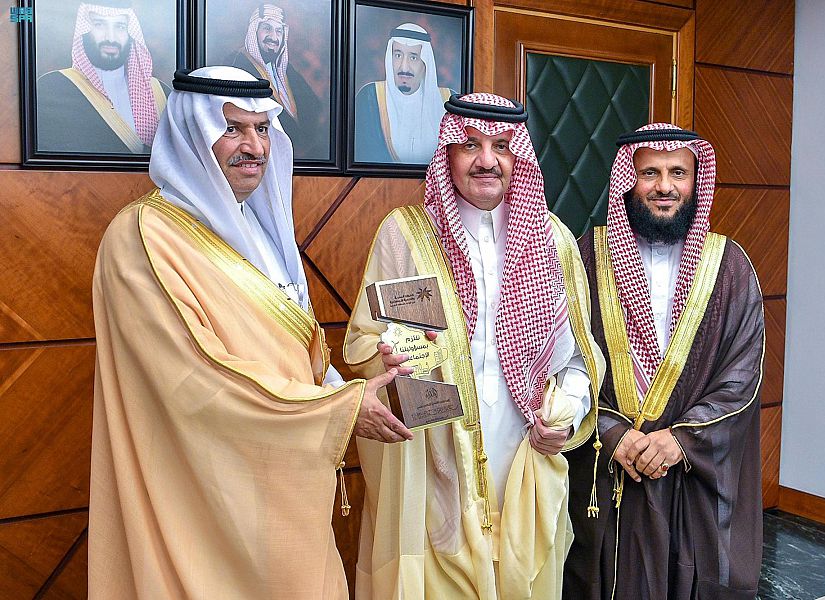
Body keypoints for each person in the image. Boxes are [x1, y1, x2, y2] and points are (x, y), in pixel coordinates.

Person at [89, 66, 412, 599]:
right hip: (202, 487)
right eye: (233, 129)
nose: (255, 147)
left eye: (262, 129)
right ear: (193, 135)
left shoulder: (258, 226)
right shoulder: (143, 235)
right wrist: (336, 410)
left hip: (283, 474)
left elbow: (296, 347)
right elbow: (191, 377)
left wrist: (346, 391)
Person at [344, 92, 605, 599]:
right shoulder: (405, 235)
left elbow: (578, 358)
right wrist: (385, 358)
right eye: (470, 145)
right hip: (433, 469)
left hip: (524, 466)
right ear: (448, 154)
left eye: (501, 146)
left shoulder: (553, 240)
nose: (487, 160)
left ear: (518, 155)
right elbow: (360, 345)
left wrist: (568, 415)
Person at [562, 123, 765, 599]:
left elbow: (742, 375)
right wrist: (612, 432)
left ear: (696, 180)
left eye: (678, 172)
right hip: (612, 466)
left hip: (690, 475)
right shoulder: (587, 257)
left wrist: (680, 440)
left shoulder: (729, 266)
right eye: (650, 172)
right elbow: (560, 356)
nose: (664, 186)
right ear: (627, 180)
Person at [37, 1, 168, 154]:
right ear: (84, 30)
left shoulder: (161, 94)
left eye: (120, 27)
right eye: (99, 25)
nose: (111, 38)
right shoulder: (52, 88)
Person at [229, 3, 327, 160]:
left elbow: (314, 106)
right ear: (254, 31)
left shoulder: (286, 68)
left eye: (279, 31)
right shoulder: (237, 64)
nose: (274, 37)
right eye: (267, 28)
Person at [354, 23, 453, 164]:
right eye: (398, 55)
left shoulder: (448, 101)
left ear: (425, 63)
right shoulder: (370, 97)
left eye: (413, 57)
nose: (404, 67)